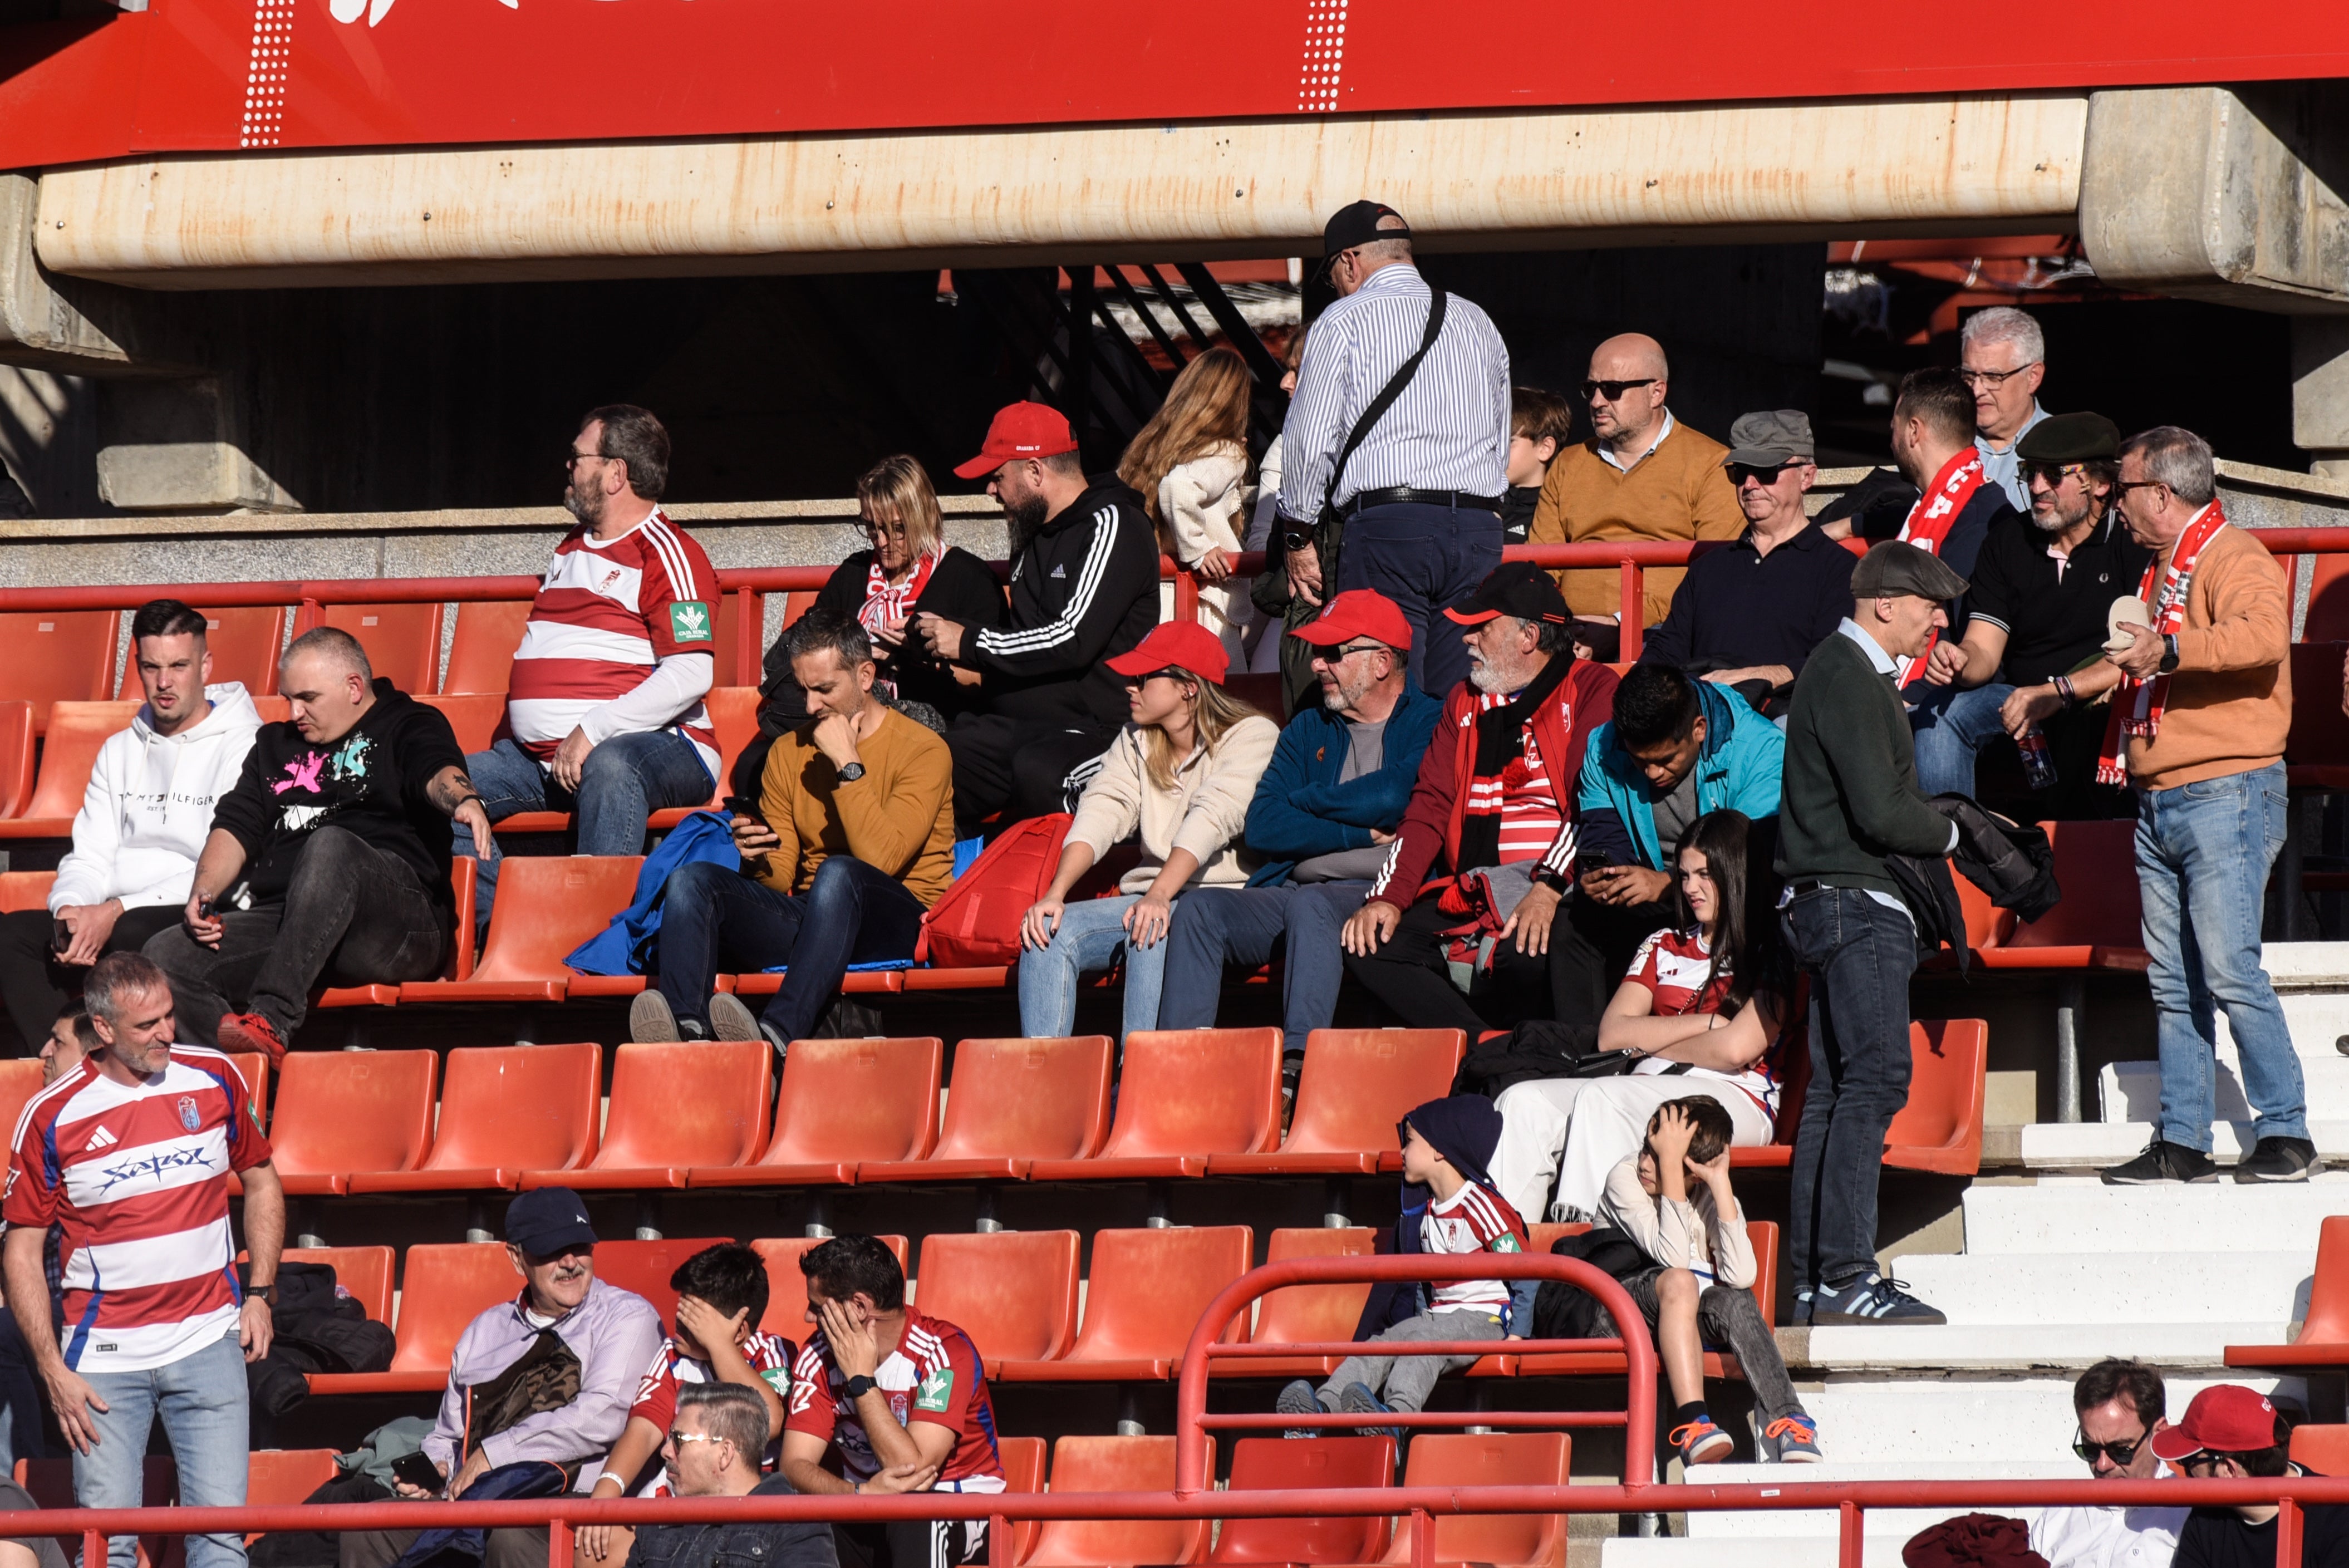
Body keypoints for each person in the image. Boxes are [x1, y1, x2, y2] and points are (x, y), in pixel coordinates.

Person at [3, 952, 282, 1568]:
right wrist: (52, 1369)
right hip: (101, 1364)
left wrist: (260, 1294)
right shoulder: (51, 1116)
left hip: (209, 1341)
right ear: (102, 1030)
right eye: (146, 1025)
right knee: (108, 1551)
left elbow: (261, 1180)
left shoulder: (213, 1076)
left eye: (169, 1016)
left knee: (220, 1544)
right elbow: (20, 1250)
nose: (166, 1033)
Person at [2096, 427, 2308, 1186]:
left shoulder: (2232, 555)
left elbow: (2262, 635)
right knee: (2175, 977)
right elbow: (2147, 658)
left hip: (2227, 789)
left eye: (2120, 488)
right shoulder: (2167, 570)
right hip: (2167, 795)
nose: (2111, 502)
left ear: (2159, 493)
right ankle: (2182, 1137)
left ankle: (2285, 1129)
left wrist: (2172, 651)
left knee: (2225, 965)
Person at [142, 627, 489, 1060]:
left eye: (307, 697)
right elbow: (236, 823)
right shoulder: (274, 744)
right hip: (297, 921)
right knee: (166, 955)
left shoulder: (406, 722)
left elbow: (436, 768)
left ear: (354, 688)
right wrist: (205, 889)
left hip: (398, 923)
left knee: (331, 846)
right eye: (288, 698)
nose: (295, 711)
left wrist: (464, 798)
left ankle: (272, 1017)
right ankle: (242, 1084)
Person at [1778, 542, 1968, 1327]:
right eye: (1929, 607)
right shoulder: (1851, 675)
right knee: (1875, 1081)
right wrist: (1959, 835)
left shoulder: (1838, 670)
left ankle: (1815, 1284)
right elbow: (1885, 814)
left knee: (1833, 1092)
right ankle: (1849, 1277)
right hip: (1858, 903)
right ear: (1885, 604)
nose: (1938, 622)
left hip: (1827, 904)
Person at [1157, 590, 1443, 1103]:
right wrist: (1355, 831)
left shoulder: (1432, 720)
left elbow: (1398, 793)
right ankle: (1175, 1075)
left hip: (1385, 892)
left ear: (1381, 662)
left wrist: (1308, 801)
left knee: (1313, 906)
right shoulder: (1309, 724)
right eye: (1318, 651)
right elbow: (1264, 823)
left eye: (1333, 652)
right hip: (1292, 889)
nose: (1318, 664)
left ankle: (1298, 1071)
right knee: (1198, 909)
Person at [635, 609, 954, 1055]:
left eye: (824, 690)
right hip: (817, 916)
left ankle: (778, 1035)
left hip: (900, 916)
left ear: (866, 676)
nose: (810, 706)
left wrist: (848, 764)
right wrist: (756, 856)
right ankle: (688, 1028)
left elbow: (881, 858)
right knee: (692, 881)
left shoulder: (924, 750)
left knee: (841, 873)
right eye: (805, 690)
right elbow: (783, 877)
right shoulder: (788, 752)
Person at [456, 406, 725, 933]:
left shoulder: (671, 554)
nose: (569, 467)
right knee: (443, 782)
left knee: (612, 764)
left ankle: (599, 945)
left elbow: (691, 673)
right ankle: (517, 933)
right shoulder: (571, 547)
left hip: (663, 748)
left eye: (579, 457)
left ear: (616, 473)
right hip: (544, 762)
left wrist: (593, 730)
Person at [1342, 564, 1619, 1036]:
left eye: (1482, 627)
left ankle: (1529, 1057)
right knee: (1370, 944)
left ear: (1529, 636)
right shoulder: (1463, 700)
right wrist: (1388, 897)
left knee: (1528, 955)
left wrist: (1548, 887)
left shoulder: (1591, 686)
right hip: (1472, 888)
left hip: (1556, 884)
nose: (1467, 638)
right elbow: (1429, 805)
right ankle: (1480, 1048)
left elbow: (1590, 804)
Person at [338, 1188, 667, 1568]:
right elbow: (448, 1435)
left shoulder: (627, 1316)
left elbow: (604, 1413)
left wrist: (498, 1453)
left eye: (580, 1247)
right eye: (551, 1251)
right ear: (516, 1257)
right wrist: (438, 1470)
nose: (571, 1262)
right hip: (475, 1501)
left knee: (507, 1535)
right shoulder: (484, 1331)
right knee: (369, 1529)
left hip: (575, 1500)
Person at [1492, 810, 1792, 1226]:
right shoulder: (1663, 943)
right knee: (1522, 1102)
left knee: (1602, 1099)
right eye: (1684, 875)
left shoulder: (1767, 948)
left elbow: (1736, 1049)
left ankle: (1587, 1256)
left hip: (1736, 1099)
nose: (1690, 888)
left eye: (1705, 874)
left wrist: (1652, 1037)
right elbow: (1613, 1034)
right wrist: (1707, 1025)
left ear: (1735, 872)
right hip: (1644, 1089)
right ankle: (1504, 1268)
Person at [1272, 200, 1511, 699]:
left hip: (1389, 526)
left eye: (1333, 275)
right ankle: (1448, 779)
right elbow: (1499, 432)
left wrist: (1298, 535)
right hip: (1477, 527)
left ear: (1349, 262)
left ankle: (1396, 780)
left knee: (1384, 690)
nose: (1336, 286)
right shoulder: (1478, 320)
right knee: (1459, 698)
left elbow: (1309, 441)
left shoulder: (1342, 320)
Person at [0, 600, 261, 1056]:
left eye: (179, 665)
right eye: (151, 667)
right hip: (115, 916)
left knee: (132, 935)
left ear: (206, 665)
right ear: (137, 665)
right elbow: (89, 853)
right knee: (13, 936)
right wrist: (71, 910)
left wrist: (117, 909)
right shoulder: (119, 749)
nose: (164, 682)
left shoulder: (246, 745)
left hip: (203, 909)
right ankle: (71, 1066)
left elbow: (225, 862)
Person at [1017, 621, 1277, 1045]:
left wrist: (1159, 895)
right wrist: (1056, 894)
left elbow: (1212, 816)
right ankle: (1044, 1087)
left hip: (1219, 901)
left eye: (1142, 678)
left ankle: (1137, 1078)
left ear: (1188, 688)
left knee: (1150, 927)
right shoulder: (1136, 737)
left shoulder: (1252, 735)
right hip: (1149, 897)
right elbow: (1102, 809)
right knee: (1048, 931)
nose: (1129, 687)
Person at [917, 402, 1159, 835]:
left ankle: (1065, 898)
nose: (991, 492)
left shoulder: (1114, 523)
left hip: (1097, 732)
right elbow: (1024, 639)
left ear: (1034, 471)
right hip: (1018, 728)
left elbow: (1071, 637)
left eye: (997, 478)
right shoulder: (1028, 535)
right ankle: (933, 895)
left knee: (1040, 773)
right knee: (924, 764)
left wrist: (970, 642)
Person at [1914, 412, 2149, 812]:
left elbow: (2143, 653)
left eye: (2055, 474)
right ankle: (1951, 855)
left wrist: (2059, 691)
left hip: (2104, 696)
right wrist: (1959, 661)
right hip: (2021, 700)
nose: (2038, 487)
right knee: (1943, 711)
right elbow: (1984, 649)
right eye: (2031, 472)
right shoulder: (2008, 541)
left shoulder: (2131, 539)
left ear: (2102, 483)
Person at [741, 456, 1002, 794]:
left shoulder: (968, 578)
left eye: (897, 529)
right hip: (840, 717)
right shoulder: (854, 573)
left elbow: (988, 680)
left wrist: (908, 657)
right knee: (756, 762)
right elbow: (808, 640)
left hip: (930, 719)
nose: (882, 542)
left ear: (924, 518)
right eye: (871, 528)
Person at [1275, 1095, 1531, 1432]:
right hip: (1437, 1317)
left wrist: (1518, 1335)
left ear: (1440, 1150)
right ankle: (1323, 1407)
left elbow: (1526, 1270)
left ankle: (1396, 1417)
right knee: (1382, 1343)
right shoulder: (1423, 1214)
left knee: (1425, 1345)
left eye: (1409, 1142)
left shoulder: (1482, 1205)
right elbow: (1426, 1284)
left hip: (1484, 1317)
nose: (1402, 1152)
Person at [1600, 1098, 1819, 1467]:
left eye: (1659, 1158)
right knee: (1681, 1280)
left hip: (1679, 1316)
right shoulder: (1624, 1178)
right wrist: (1671, 1167)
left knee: (1734, 1299)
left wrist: (1720, 1185)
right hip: (1618, 1307)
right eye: (1646, 1150)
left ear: (1696, 1173)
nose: (1644, 1164)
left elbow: (1740, 1275)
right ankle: (1695, 1424)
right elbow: (1672, 1258)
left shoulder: (1706, 1193)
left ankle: (1790, 1419)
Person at [780, 1234, 1005, 1568]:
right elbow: (793, 1465)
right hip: (863, 1506)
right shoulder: (817, 1356)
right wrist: (859, 1497)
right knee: (793, 1529)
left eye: (817, 1306)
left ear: (859, 1307)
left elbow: (912, 1471)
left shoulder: (944, 1352)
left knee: (914, 1516)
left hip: (960, 1506)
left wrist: (860, 1379)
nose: (808, 1318)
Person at [577, 1243, 794, 1568]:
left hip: (747, 1508)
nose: (676, 1327)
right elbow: (645, 1428)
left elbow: (769, 1421)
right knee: (594, 1547)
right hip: (675, 1497)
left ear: (739, 1330)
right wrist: (606, 1493)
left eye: (692, 1321)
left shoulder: (770, 1352)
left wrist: (720, 1345)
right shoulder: (672, 1355)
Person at [1527, 333, 1742, 658]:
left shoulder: (1711, 463)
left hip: (1660, 641)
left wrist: (1620, 624)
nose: (1598, 401)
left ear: (1657, 392)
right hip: (1563, 640)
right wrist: (1558, 626)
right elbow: (1539, 567)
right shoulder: (1569, 464)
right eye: (1591, 389)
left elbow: (1717, 577)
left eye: (1613, 389)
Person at [1571, 662, 1784, 985]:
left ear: (1699, 728)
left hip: (1728, 903)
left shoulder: (1760, 749)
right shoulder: (1605, 746)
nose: (1653, 773)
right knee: (1575, 919)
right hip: (1653, 897)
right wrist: (1608, 876)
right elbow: (1603, 830)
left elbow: (1749, 864)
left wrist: (1669, 883)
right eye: (1639, 761)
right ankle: (1589, 1036)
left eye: (1666, 759)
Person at [1638, 411, 1856, 718]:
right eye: (1740, 472)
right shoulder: (1707, 569)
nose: (1750, 484)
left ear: (1807, 476)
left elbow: (1834, 663)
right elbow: (1664, 653)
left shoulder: (1839, 569)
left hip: (1783, 726)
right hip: (1698, 723)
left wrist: (1752, 677)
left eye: (1767, 471)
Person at [1884, 367, 2019, 712]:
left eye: (1894, 429)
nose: (1891, 440)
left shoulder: (1980, 525)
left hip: (1935, 700)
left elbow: (1961, 650)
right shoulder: (1944, 505)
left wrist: (1901, 701)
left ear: (1914, 431)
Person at [0, 1006, 93, 1474]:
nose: (43, 1052)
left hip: (98, 1306)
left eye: (57, 1042)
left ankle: (19, 1491)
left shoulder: (101, 1121)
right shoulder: (41, 1120)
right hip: (47, 1299)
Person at [1120, 344, 1256, 660]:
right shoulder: (1226, 451)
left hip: (1153, 604)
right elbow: (1178, 486)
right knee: (1220, 706)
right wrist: (1199, 547)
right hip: (1200, 609)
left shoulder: (1148, 450)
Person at [615, 1384, 838, 1568]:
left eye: (679, 1440)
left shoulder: (797, 1526)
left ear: (725, 1454)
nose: (666, 1451)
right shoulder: (659, 1522)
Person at [2155, 1385, 2349, 1568]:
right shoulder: (2205, 1520)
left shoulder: (2338, 1522)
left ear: (2229, 1471)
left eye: (2188, 1463)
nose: (2186, 1473)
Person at [2029, 1358, 2188, 1568]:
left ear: (2158, 1434)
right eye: (2090, 1450)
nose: (2102, 1465)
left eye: (2121, 1450)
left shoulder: (2189, 1519)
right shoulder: (2055, 1519)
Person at [1960, 306, 2051, 513]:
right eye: (1969, 377)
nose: (1976, 390)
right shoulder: (1944, 448)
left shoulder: (2065, 449)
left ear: (2033, 376)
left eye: (1993, 377)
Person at [1503, 387, 1572, 544]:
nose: (1498, 451)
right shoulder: (1484, 506)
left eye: (1509, 442)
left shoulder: (1556, 513)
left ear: (1545, 448)